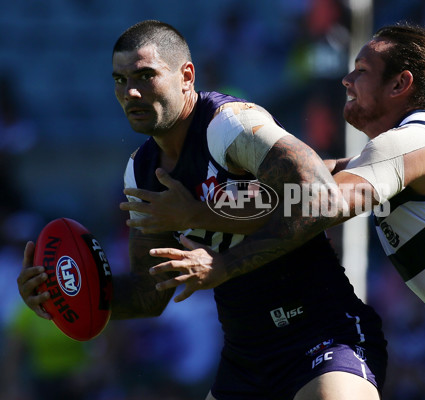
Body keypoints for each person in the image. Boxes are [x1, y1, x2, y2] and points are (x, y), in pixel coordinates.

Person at [142, 23, 425, 399]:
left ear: (402, 84)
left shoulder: (413, 139)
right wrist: (202, 205)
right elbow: (297, 188)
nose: (347, 80)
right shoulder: (408, 144)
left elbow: (320, 202)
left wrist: (215, 245)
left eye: (361, 70)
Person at [16, 20, 388, 400]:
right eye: (119, 80)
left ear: (186, 76)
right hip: (245, 361)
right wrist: (65, 296)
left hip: (323, 337)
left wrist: (210, 236)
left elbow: (320, 197)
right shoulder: (142, 171)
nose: (130, 91)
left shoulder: (232, 126)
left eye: (145, 76)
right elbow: (151, 292)